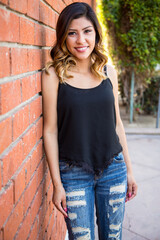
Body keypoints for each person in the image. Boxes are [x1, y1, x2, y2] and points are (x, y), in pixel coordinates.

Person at [41, 2, 138, 240]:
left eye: (87, 31)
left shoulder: (107, 70)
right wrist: (57, 184)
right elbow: (50, 132)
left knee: (112, 237)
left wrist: (130, 172)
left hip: (113, 168)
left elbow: (117, 125)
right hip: (73, 174)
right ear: (63, 37)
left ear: (96, 33)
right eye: (72, 33)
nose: (80, 40)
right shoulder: (53, 74)